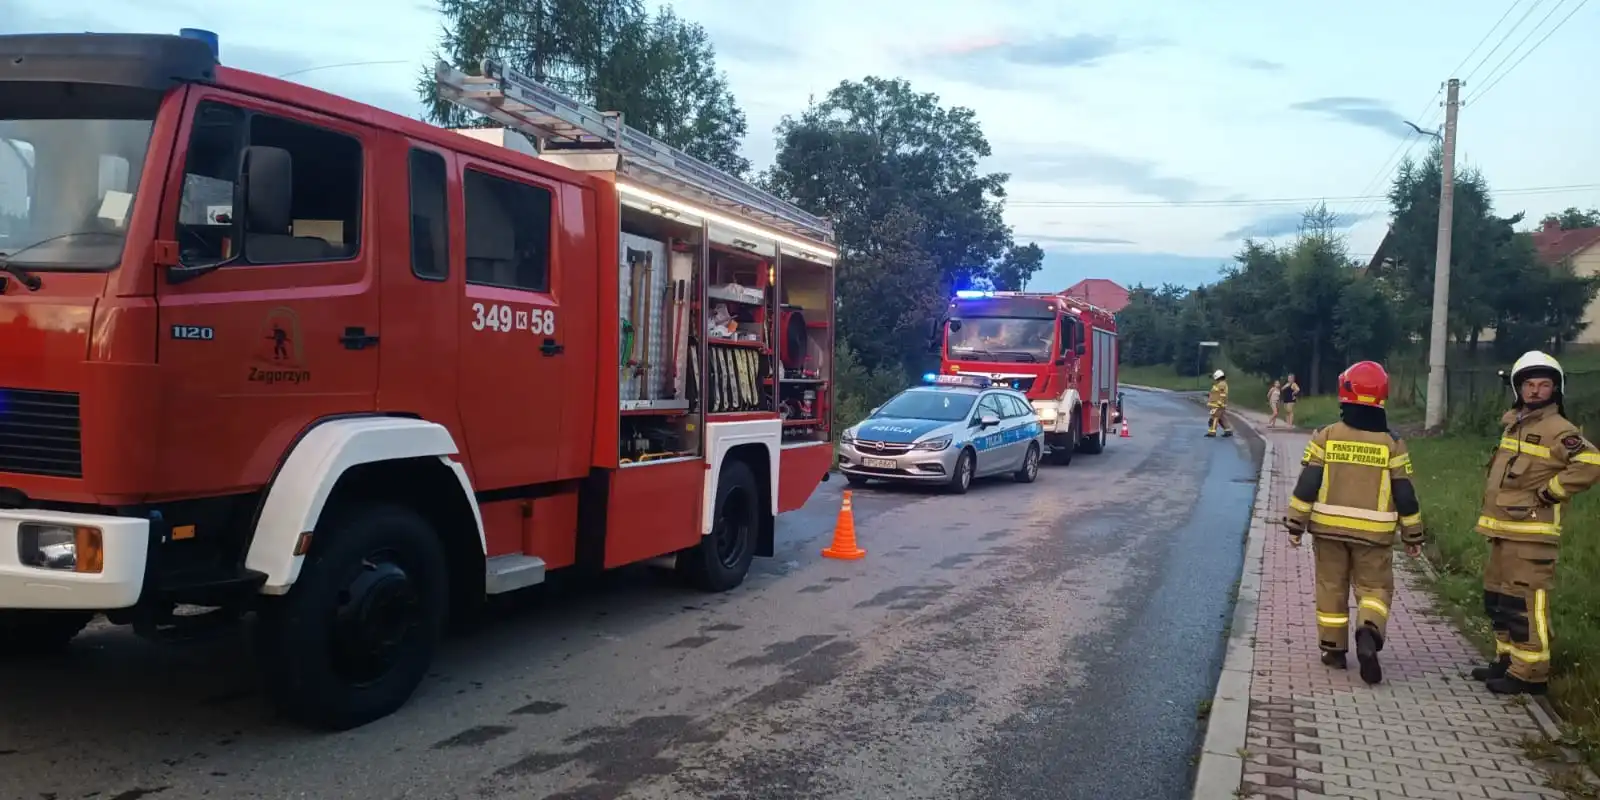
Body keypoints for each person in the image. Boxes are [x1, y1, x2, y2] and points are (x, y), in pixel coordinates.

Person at [1284, 361, 1424, 685]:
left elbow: (1308, 483)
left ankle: (1333, 650)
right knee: (1375, 589)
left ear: (1344, 392)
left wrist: (1295, 524)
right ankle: (1369, 631)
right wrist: (1413, 534)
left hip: (1328, 531)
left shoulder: (1326, 436)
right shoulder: (1392, 443)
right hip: (1374, 536)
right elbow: (1405, 493)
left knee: (1331, 587)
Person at [1468, 350, 1600, 696]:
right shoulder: (1517, 423)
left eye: (1544, 385)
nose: (1536, 391)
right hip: (1504, 531)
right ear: (1518, 388)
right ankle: (1507, 662)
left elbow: (1590, 463)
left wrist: (1550, 492)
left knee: (1524, 604)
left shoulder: (1559, 429)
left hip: (1532, 535)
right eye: (1529, 384)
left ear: (1555, 390)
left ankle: (1530, 674)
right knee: (1498, 600)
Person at [1206, 369, 1233, 437]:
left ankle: (1212, 432)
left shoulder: (1221, 384)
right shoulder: (1220, 384)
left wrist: (1219, 403)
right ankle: (1228, 431)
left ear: (1218, 377)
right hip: (1217, 405)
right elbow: (1217, 393)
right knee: (1221, 418)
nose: (1215, 379)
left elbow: (1222, 394)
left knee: (1214, 418)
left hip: (1217, 405)